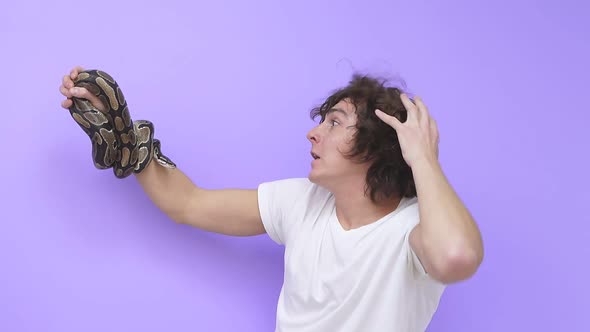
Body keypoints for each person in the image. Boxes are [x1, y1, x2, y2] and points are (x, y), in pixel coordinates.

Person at [59, 66, 484, 331]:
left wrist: (424, 158)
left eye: (335, 122)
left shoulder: (415, 229)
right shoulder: (304, 200)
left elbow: (456, 258)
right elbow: (187, 203)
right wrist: (123, 130)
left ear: (377, 146)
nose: (313, 132)